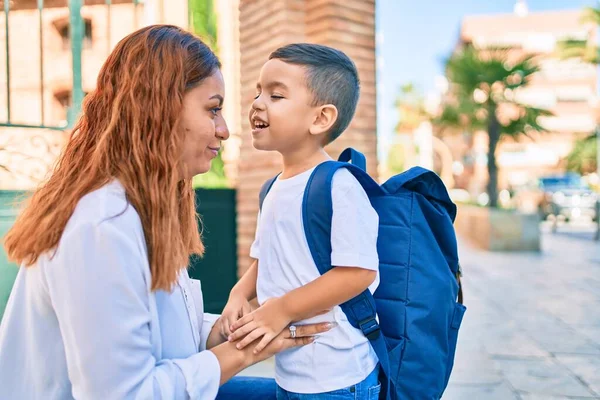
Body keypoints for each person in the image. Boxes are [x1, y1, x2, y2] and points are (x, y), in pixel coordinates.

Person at [0, 25, 331, 400]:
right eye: (213, 109)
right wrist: (246, 351)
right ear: (160, 107)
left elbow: (155, 332)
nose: (223, 130)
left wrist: (230, 330)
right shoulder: (100, 226)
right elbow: (126, 394)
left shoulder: (142, 208)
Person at [220, 43, 381, 399]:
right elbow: (267, 259)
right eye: (258, 92)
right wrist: (239, 292)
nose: (257, 103)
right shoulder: (272, 189)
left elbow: (358, 273)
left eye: (276, 95)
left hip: (339, 379)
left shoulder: (338, 184)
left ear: (321, 118)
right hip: (292, 374)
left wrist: (282, 309)